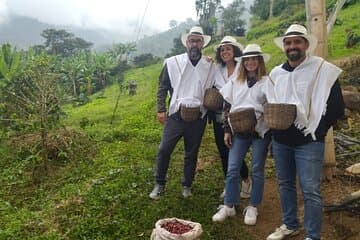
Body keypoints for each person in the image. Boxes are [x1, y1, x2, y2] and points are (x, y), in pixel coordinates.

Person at [264, 24, 345, 240]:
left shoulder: (321, 69)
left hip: (309, 142)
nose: (292, 46)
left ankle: (312, 235)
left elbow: (336, 107)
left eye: (297, 41)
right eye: (288, 42)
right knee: (285, 184)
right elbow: (271, 104)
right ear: (284, 47)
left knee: (310, 190)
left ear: (306, 44)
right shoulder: (276, 74)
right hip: (281, 141)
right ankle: (290, 224)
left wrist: (317, 129)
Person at [149, 26, 215, 200]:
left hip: (197, 117)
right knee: (164, 149)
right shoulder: (173, 63)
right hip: (176, 116)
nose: (194, 43)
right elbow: (162, 87)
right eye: (192, 40)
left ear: (202, 44)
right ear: (187, 43)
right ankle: (159, 183)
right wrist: (161, 109)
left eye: (198, 41)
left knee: (191, 153)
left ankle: (187, 185)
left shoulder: (209, 65)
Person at [212, 44, 271, 226]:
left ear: (259, 61)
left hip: (260, 131)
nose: (251, 62)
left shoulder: (267, 82)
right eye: (247, 59)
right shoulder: (236, 81)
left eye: (254, 59)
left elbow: (272, 106)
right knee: (232, 168)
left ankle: (253, 206)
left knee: (256, 169)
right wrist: (227, 130)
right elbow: (227, 105)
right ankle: (229, 205)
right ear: (243, 62)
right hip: (239, 130)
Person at [210, 36, 251, 199]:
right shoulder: (217, 70)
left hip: (239, 115)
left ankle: (246, 179)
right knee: (223, 151)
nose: (225, 52)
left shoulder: (243, 67)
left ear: (234, 51)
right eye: (222, 50)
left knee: (235, 151)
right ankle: (230, 184)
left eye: (228, 49)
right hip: (220, 116)